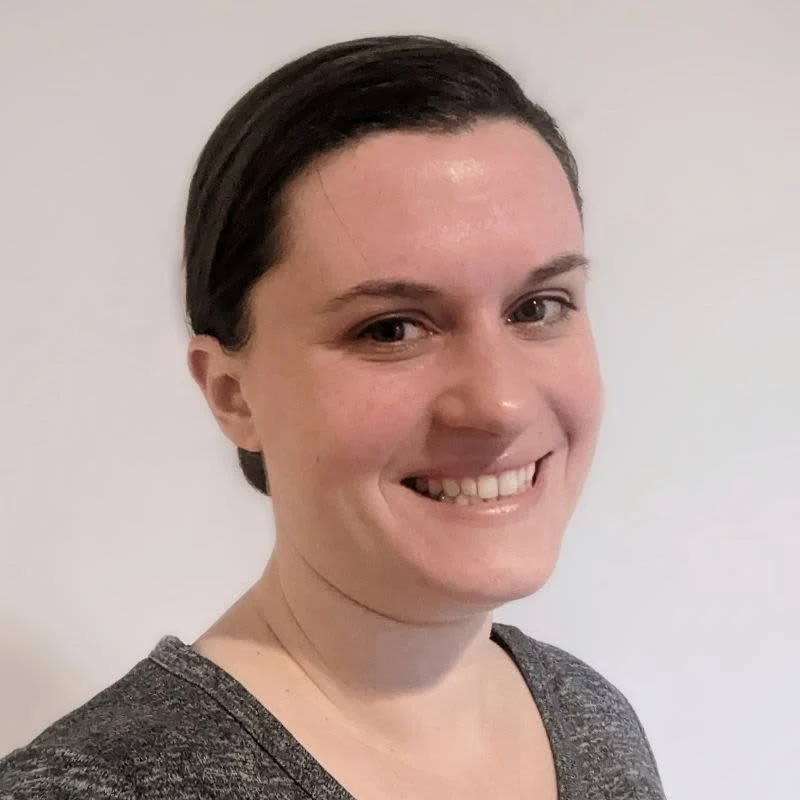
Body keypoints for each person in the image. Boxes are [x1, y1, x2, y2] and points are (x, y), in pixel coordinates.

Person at [0, 34, 666, 799]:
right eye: (391, 328)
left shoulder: (589, 720)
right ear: (231, 393)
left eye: (538, 307)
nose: (501, 403)